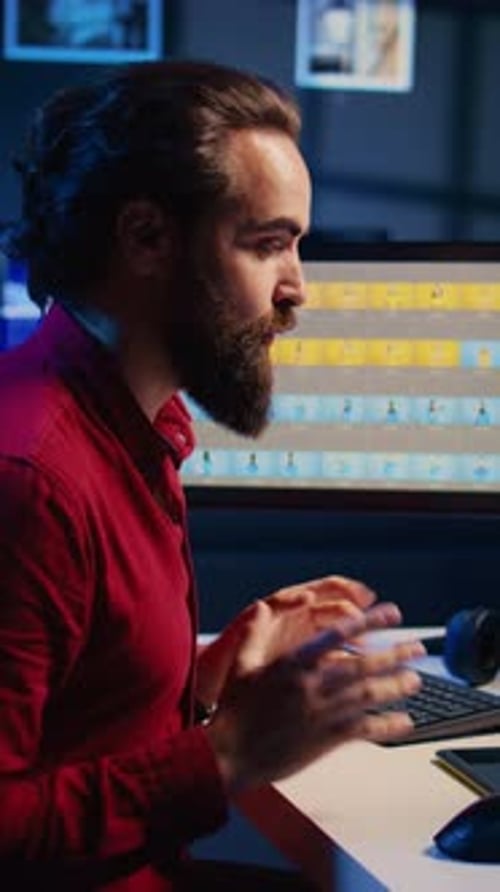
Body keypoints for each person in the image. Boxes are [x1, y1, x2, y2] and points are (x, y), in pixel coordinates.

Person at [0, 60, 425, 890]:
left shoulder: (134, 425)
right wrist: (227, 750)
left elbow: (74, 725)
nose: (297, 288)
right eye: (269, 244)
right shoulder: (31, 479)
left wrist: (207, 682)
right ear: (147, 238)